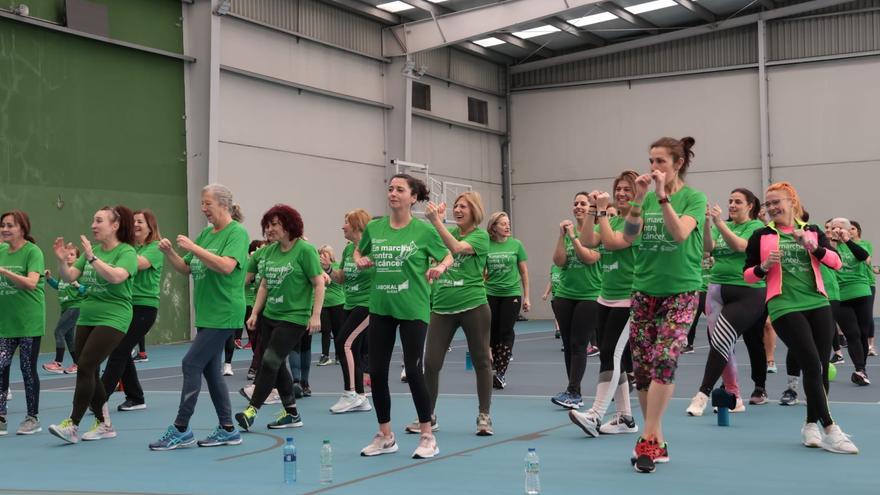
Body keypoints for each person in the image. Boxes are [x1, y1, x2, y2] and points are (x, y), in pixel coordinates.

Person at [744, 181, 857, 454]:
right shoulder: (760, 235)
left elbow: (836, 262)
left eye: (776, 202)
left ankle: (810, 424)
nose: (771, 208)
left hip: (818, 302)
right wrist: (763, 266)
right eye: (768, 204)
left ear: (791, 201)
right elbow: (748, 275)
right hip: (784, 305)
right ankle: (831, 428)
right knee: (809, 361)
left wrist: (812, 246)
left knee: (818, 366)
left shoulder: (813, 231)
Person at [617, 137, 707, 473]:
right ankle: (656, 438)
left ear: (677, 164)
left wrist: (662, 196)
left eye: (661, 162)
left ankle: (646, 438)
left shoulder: (693, 198)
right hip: (644, 291)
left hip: (681, 291)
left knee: (665, 359)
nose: (654, 168)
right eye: (651, 161)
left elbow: (681, 233)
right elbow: (628, 235)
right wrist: (639, 201)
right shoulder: (647, 200)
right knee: (642, 371)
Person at [356, 174, 451, 459]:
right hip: (381, 307)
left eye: (400, 189)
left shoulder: (423, 231)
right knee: (378, 372)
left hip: (413, 308)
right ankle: (385, 435)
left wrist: (440, 268)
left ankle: (427, 435)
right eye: (390, 188)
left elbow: (447, 255)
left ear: (413, 197)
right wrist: (358, 260)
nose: (393, 193)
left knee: (413, 371)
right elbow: (359, 251)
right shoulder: (375, 227)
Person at [148, 184, 248, 450]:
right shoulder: (206, 233)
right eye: (202, 204)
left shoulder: (236, 233)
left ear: (224, 206)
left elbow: (227, 266)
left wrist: (194, 246)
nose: (204, 209)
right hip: (206, 314)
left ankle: (181, 428)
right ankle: (228, 429)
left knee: (191, 364)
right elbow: (186, 267)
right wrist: (170, 252)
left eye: (208, 204)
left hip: (225, 312)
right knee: (211, 372)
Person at [47, 206, 138, 444]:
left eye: (98, 221)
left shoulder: (126, 251)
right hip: (88, 315)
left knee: (85, 365)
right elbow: (70, 277)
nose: (93, 225)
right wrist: (61, 262)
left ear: (115, 225)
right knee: (90, 370)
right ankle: (104, 424)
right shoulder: (93, 250)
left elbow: (116, 277)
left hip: (115, 316)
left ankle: (72, 424)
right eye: (92, 220)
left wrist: (92, 258)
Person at [235, 204, 325, 431]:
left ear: (289, 225)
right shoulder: (269, 251)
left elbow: (318, 282)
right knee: (277, 364)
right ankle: (292, 413)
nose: (269, 229)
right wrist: (255, 312)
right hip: (270, 316)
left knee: (270, 361)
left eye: (275, 224)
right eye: (267, 225)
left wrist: (315, 315)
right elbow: (264, 284)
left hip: (294, 318)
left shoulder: (305, 250)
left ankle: (251, 411)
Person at [568, 170, 641, 437]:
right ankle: (625, 419)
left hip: (628, 298)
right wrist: (591, 211)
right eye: (618, 189)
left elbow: (612, 242)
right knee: (612, 355)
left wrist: (601, 213)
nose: (621, 193)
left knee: (611, 352)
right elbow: (589, 240)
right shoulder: (611, 218)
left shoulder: (635, 220)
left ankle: (596, 415)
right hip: (605, 296)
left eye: (627, 190)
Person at [686, 188, 769, 415]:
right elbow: (707, 248)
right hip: (716, 289)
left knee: (724, 339)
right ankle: (734, 395)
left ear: (750, 205)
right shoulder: (722, 226)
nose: (732, 205)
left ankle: (702, 394)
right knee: (721, 344)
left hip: (747, 291)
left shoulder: (756, 227)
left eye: (737, 202)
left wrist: (719, 223)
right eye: (730, 200)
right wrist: (705, 222)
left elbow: (740, 247)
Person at [418, 192, 493, 436]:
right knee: (430, 363)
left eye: (464, 206)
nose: (458, 210)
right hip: (441, 307)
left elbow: (457, 248)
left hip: (474, 305)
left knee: (481, 361)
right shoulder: (443, 235)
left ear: (475, 211)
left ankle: (484, 415)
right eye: (456, 206)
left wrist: (436, 222)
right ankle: (428, 415)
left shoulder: (481, 236)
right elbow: (444, 253)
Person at [101, 209, 164, 411]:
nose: (136, 224)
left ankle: (98, 397)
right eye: (134, 221)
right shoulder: (128, 249)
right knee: (122, 350)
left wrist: (108, 255)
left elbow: (138, 264)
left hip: (144, 308)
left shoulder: (155, 248)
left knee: (119, 350)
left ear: (150, 227)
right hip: (126, 305)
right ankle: (136, 397)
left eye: (140, 222)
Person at [550, 192, 602, 409]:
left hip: (589, 296)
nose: (579, 206)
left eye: (583, 203)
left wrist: (573, 237)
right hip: (565, 295)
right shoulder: (568, 232)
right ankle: (573, 390)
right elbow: (559, 261)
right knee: (568, 345)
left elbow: (589, 258)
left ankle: (573, 391)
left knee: (579, 344)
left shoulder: (597, 232)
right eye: (576, 203)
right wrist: (561, 236)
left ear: (591, 208)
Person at [0, 210, 45, 436]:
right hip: (5, 324)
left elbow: (31, 283)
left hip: (29, 323)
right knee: (1, 365)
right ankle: (0, 417)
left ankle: (32, 418)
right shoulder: (1, 251)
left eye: (10, 225)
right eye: (3, 225)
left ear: (23, 229)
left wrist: (4, 271)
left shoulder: (32, 252)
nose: (5, 229)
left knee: (27, 368)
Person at [328, 209, 374, 414]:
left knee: (342, 343)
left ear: (356, 225)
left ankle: (350, 393)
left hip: (367, 304)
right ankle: (362, 397)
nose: (342, 226)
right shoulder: (348, 251)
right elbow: (341, 278)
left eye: (346, 222)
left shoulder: (373, 248)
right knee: (352, 349)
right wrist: (328, 269)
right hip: (350, 303)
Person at [484, 211, 529, 390]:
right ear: (494, 227)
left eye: (508, 223)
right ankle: (494, 361)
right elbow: (481, 271)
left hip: (511, 294)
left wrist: (527, 296)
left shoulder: (516, 245)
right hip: (490, 293)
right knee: (492, 330)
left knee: (506, 330)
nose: (507, 226)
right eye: (503, 224)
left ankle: (501, 372)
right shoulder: (486, 244)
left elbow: (524, 272)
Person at [828, 218, 871, 385]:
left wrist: (846, 240)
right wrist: (832, 242)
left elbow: (863, 257)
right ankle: (860, 369)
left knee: (862, 333)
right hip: (840, 295)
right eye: (833, 227)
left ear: (848, 230)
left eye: (840, 227)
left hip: (861, 291)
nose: (836, 230)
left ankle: (862, 368)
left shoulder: (861, 244)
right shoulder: (829, 245)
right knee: (852, 334)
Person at [42, 244, 85, 375]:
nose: (68, 257)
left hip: (75, 307)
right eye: (66, 254)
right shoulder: (63, 273)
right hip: (65, 308)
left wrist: (77, 285)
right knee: (68, 337)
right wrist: (49, 279)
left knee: (58, 332)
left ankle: (58, 363)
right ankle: (78, 364)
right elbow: (59, 286)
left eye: (72, 254)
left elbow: (86, 291)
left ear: (78, 259)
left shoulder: (79, 273)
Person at [317, 245, 346, 366]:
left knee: (338, 330)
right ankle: (325, 355)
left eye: (324, 254)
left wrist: (326, 270)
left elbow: (334, 280)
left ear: (330, 255)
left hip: (337, 302)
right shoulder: (318, 269)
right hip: (324, 303)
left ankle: (339, 354)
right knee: (325, 331)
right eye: (321, 254)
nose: (322, 257)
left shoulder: (336, 267)